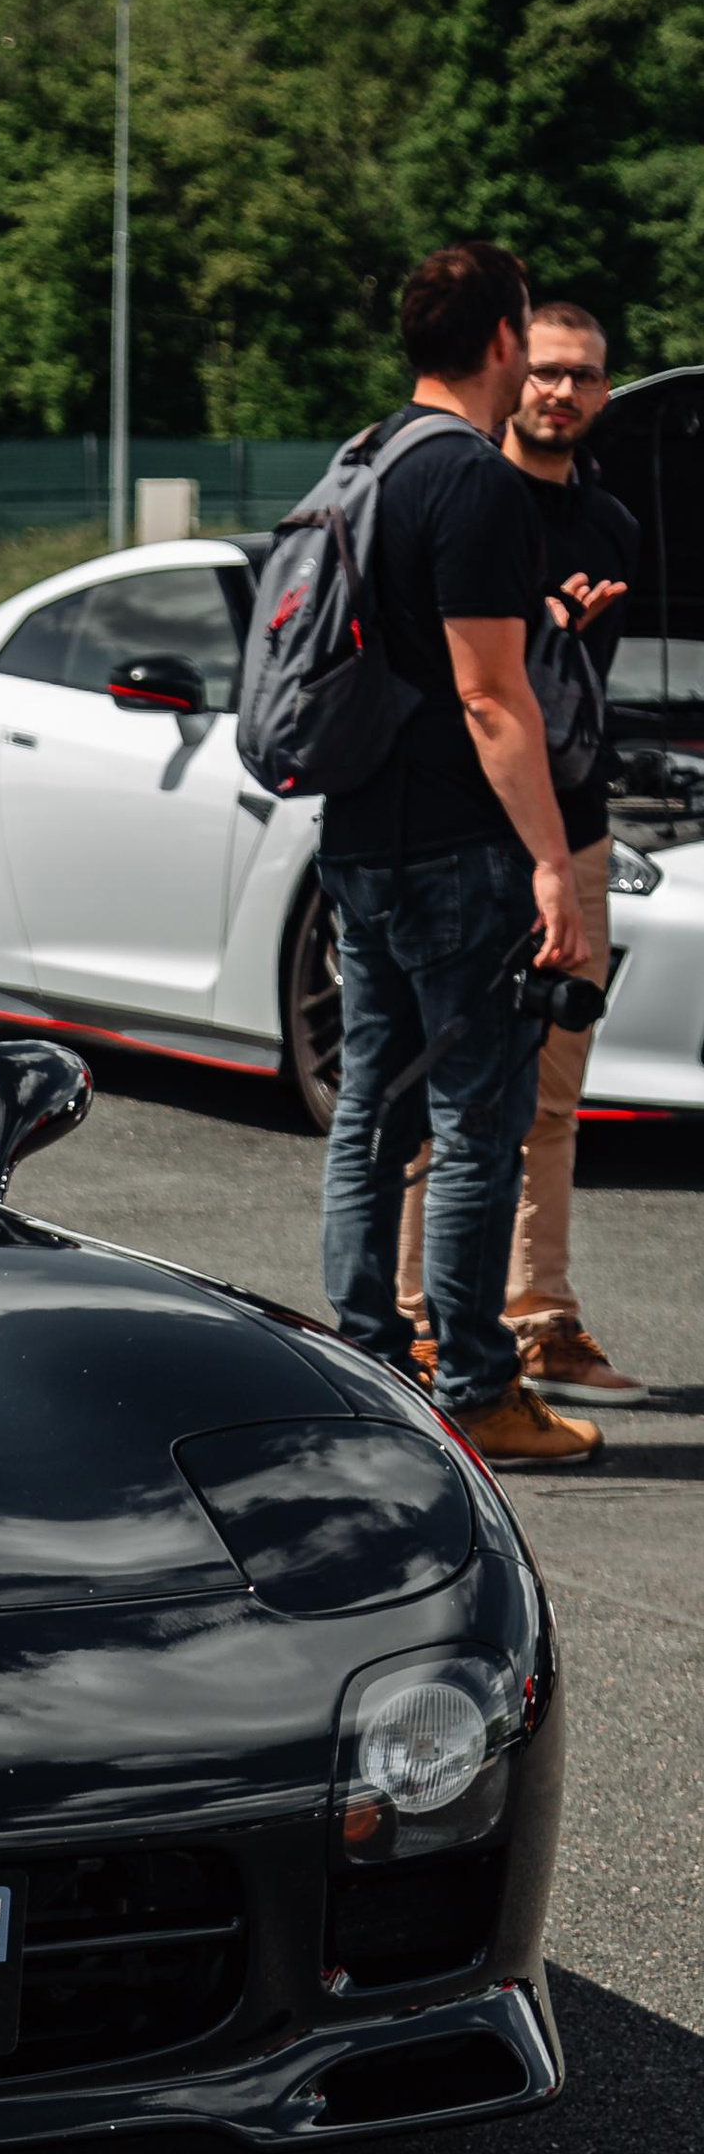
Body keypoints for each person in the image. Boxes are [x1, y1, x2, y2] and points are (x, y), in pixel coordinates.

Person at [314, 240, 600, 1468]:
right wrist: (549, 861)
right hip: (452, 851)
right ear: (498, 342)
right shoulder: (471, 483)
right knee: (475, 1122)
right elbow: (492, 700)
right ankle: (479, 1388)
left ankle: (363, 1353)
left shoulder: (360, 460)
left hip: (356, 839)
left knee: (368, 1108)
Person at [394, 300, 642, 1406]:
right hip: (464, 836)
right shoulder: (462, 495)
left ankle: (536, 1315)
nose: (562, 393)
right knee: (439, 1091)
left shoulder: (613, 527)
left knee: (549, 1093)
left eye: (584, 377)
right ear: (512, 373)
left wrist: (564, 639)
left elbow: (568, 701)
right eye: (545, 371)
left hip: (573, 832)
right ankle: (422, 1320)